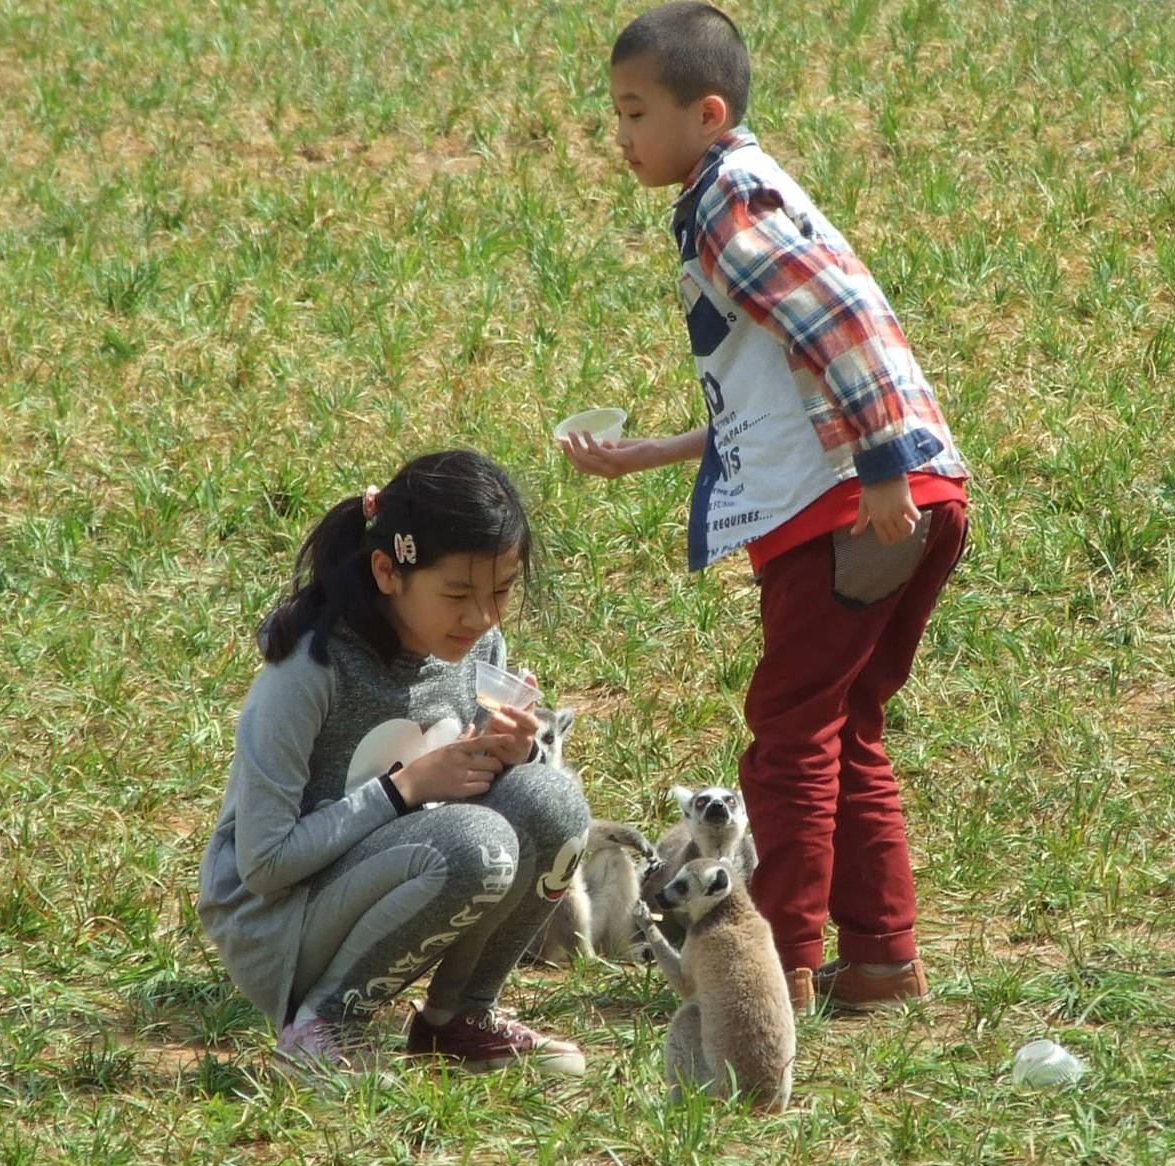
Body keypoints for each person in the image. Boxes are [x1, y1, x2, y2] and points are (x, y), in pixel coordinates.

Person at [563, 2, 970, 1016]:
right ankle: (877, 964)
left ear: (706, 114)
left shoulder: (723, 199)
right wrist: (653, 453)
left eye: (634, 112)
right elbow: (786, 383)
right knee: (845, 725)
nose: (620, 136)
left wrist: (877, 468)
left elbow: (832, 325)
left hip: (851, 509)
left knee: (788, 735)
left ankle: (770, 972)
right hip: (911, 489)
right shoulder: (748, 190)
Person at [198, 450, 591, 1077]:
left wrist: (506, 756)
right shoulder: (309, 667)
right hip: (279, 923)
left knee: (553, 802)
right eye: (457, 592)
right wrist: (404, 788)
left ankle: (459, 1021)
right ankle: (323, 1024)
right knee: (480, 843)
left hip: (398, 875)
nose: (481, 616)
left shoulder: (477, 645)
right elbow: (264, 865)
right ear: (388, 570)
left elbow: (461, 799)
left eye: (501, 592)